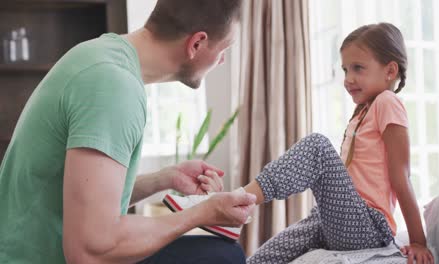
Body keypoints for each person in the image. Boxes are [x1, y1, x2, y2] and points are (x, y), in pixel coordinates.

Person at [0, 0, 256, 263]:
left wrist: (166, 178)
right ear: (196, 44)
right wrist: (202, 213)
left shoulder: (100, 55)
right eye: (224, 48)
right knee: (223, 256)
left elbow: (86, 199)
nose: (222, 60)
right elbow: (89, 250)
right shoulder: (114, 88)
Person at [165, 22, 434, 264]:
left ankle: (236, 204)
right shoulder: (363, 111)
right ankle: (234, 212)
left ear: (390, 71)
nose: (348, 78)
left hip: (368, 226)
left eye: (358, 68)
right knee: (261, 259)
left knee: (317, 146)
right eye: (345, 69)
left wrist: (418, 241)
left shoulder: (388, 103)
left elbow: (402, 177)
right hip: (334, 220)